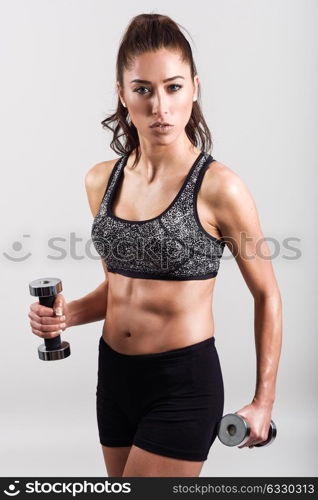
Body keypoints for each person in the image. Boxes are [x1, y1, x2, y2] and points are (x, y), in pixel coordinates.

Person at [28, 13, 282, 478]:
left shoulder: (220, 188)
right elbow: (120, 287)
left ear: (195, 87)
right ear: (122, 94)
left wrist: (264, 400)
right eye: (142, 89)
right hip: (115, 381)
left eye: (173, 87)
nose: (160, 107)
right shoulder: (100, 181)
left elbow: (267, 293)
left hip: (182, 385)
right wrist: (66, 314)